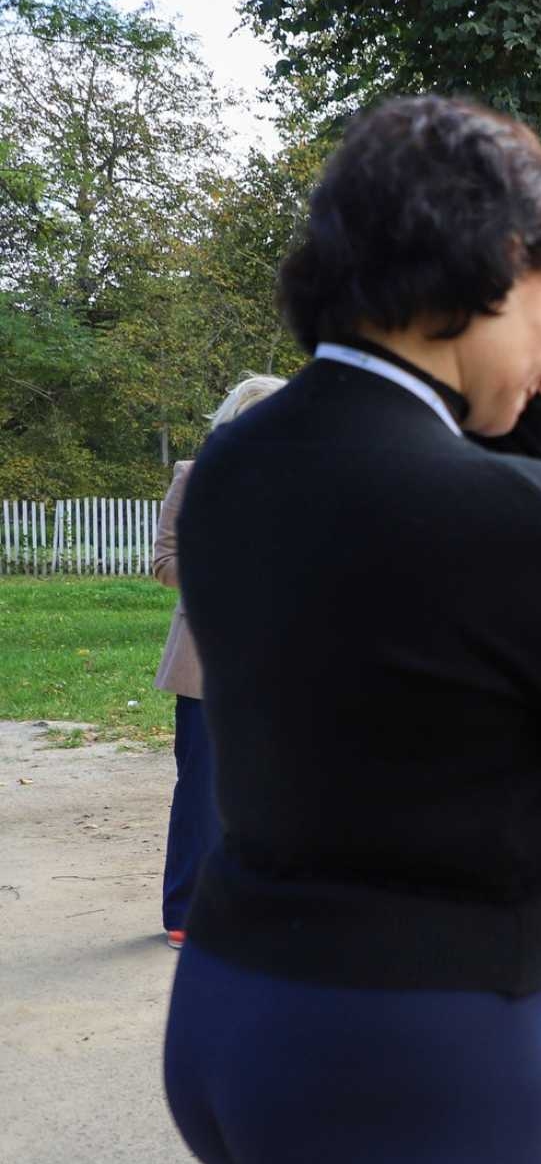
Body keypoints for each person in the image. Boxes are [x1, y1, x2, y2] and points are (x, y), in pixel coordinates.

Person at [162, 95, 541, 1164]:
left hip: (232, 1009)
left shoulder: (235, 466)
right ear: (496, 269)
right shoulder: (502, 506)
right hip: (418, 1043)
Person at [150, 374, 284, 950]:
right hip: (207, 660)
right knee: (203, 787)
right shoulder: (194, 478)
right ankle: (186, 910)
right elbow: (163, 561)